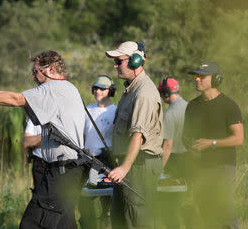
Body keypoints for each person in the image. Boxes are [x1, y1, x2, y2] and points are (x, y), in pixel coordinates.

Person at [0, 50, 86, 229]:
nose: (32, 76)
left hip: (62, 172)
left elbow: (15, 99)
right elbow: (20, 97)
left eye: (35, 72)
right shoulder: (66, 88)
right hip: (70, 171)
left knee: (31, 224)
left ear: (49, 70)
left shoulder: (53, 88)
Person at [105, 41, 163, 229]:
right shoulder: (131, 89)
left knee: (137, 221)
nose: (115, 66)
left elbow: (138, 135)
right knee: (121, 221)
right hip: (130, 164)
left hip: (139, 165)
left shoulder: (143, 92)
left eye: (118, 61)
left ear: (135, 62)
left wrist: (124, 168)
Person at [183, 61, 244, 229]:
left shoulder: (228, 106)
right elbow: (185, 136)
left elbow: (239, 138)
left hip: (223, 166)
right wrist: (190, 147)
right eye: (196, 76)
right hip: (200, 166)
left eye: (202, 76)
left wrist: (212, 143)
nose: (197, 80)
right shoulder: (192, 106)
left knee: (224, 210)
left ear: (216, 79)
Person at [78, 75, 117, 229]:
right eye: (95, 88)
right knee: (84, 199)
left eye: (102, 88)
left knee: (107, 201)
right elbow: (82, 135)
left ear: (111, 91)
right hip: (87, 161)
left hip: (106, 162)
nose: (97, 91)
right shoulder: (87, 110)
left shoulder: (116, 111)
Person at [157, 77, 188, 179]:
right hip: (190, 158)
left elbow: (167, 145)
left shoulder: (169, 114)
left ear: (166, 93)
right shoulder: (189, 107)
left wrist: (159, 170)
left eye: (161, 93)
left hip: (174, 161)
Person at [23, 119, 45, 193]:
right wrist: (48, 135)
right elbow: (26, 142)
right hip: (39, 165)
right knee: (39, 199)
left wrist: (36, 141)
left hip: (59, 166)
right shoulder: (34, 115)